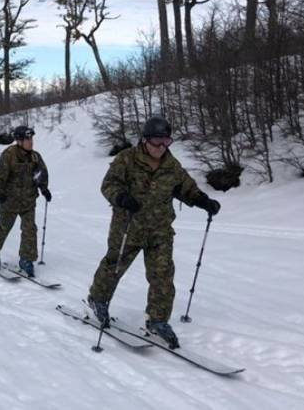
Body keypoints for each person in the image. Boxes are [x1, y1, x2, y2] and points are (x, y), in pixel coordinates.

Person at [86, 115, 221, 349]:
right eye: (157, 142)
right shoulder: (126, 159)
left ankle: (157, 320)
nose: (161, 147)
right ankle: (98, 299)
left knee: (163, 275)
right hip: (128, 226)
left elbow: (186, 188)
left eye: (166, 142)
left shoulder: (171, 165)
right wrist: (121, 198)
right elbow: (108, 185)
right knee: (114, 266)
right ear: (145, 140)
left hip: (160, 230)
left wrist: (204, 201)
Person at [0, 126, 51, 277]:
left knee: (30, 230)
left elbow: (40, 175)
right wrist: (0, 193)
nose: (31, 142)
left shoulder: (35, 157)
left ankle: (26, 259)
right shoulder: (9, 155)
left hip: (28, 201)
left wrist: (44, 189)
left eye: (31, 139)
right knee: (4, 228)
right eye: (27, 139)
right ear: (19, 140)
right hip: (10, 201)